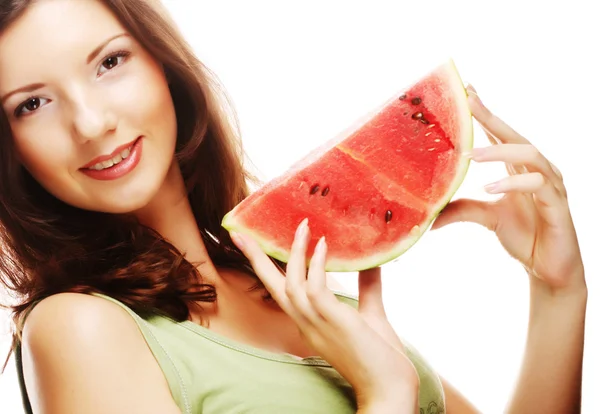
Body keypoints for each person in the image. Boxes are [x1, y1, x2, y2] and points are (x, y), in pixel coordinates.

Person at [0, 0, 587, 413]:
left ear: (162, 64)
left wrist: (557, 291)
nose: (91, 123)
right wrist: (383, 398)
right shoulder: (80, 328)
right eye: (32, 104)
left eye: (109, 62)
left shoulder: (288, 283)